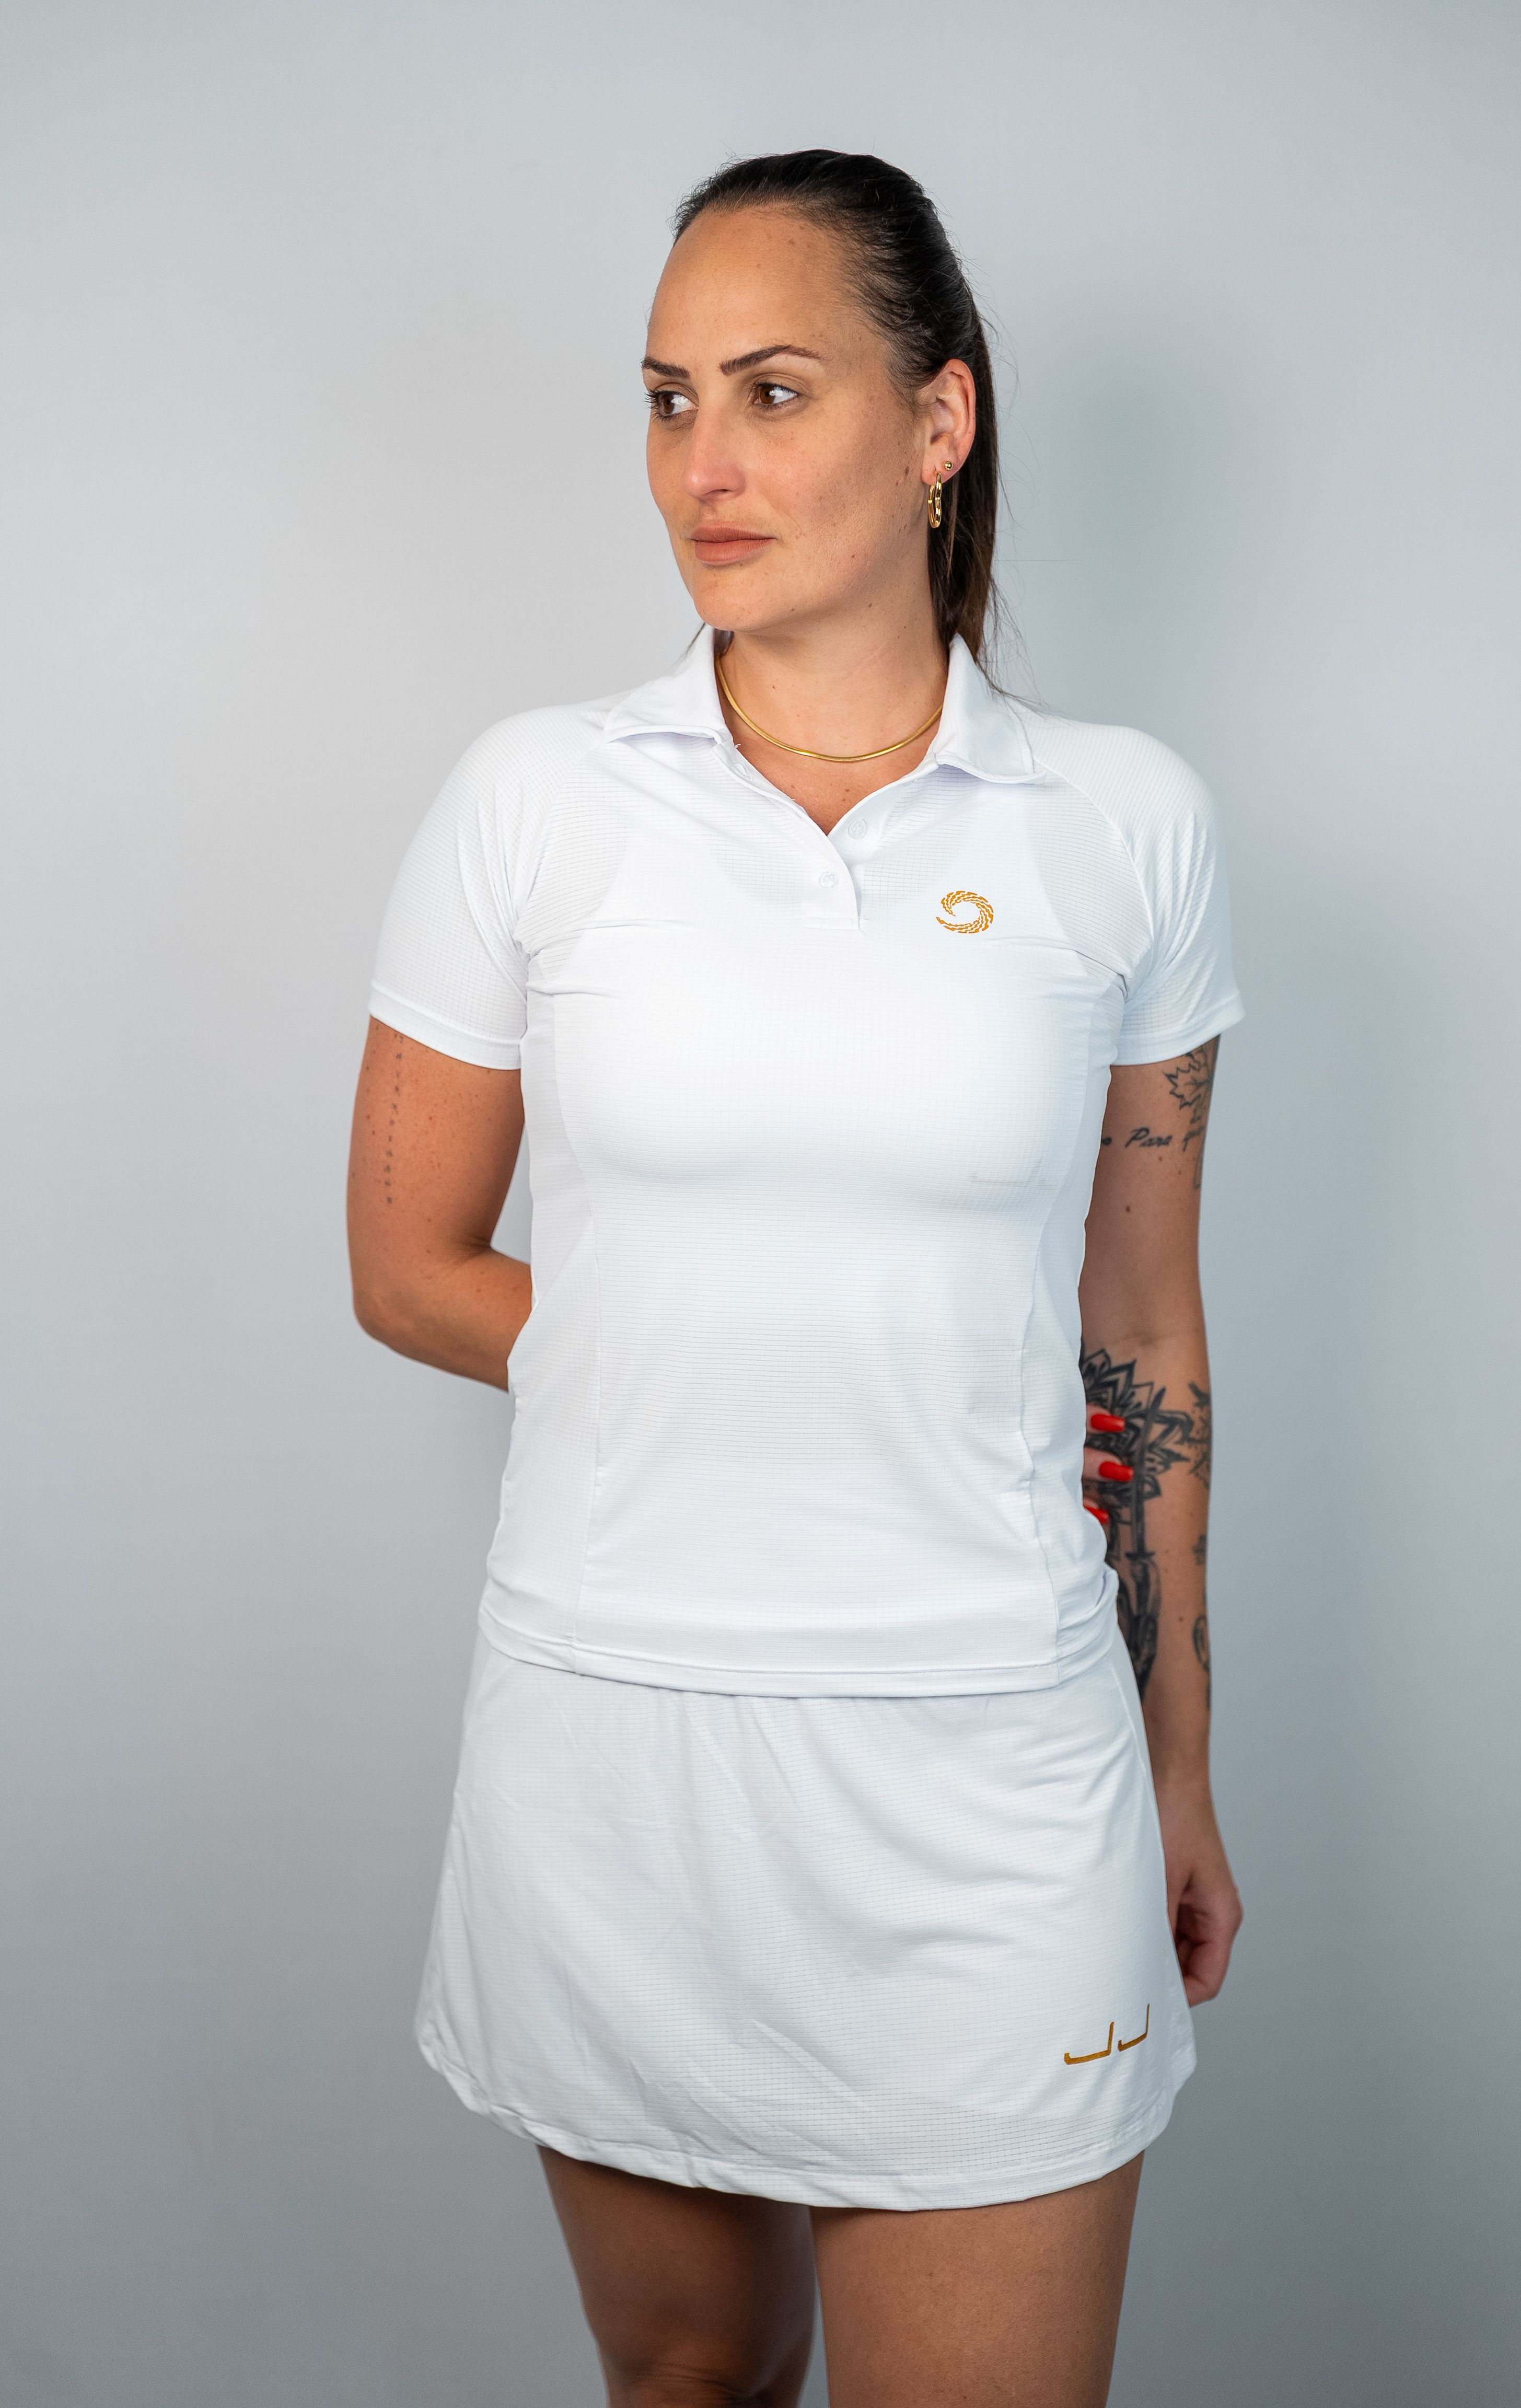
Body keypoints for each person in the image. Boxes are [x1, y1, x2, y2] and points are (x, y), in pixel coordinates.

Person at [347, 148, 1244, 2408]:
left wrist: (1179, 1767)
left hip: (993, 1767)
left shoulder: (1123, 824)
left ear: (938, 421)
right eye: (667, 401)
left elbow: (1141, 1328)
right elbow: (407, 1264)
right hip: (621, 1757)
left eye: (770, 390)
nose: (702, 466)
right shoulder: (537, 801)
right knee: (690, 2384)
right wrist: (727, 1355)